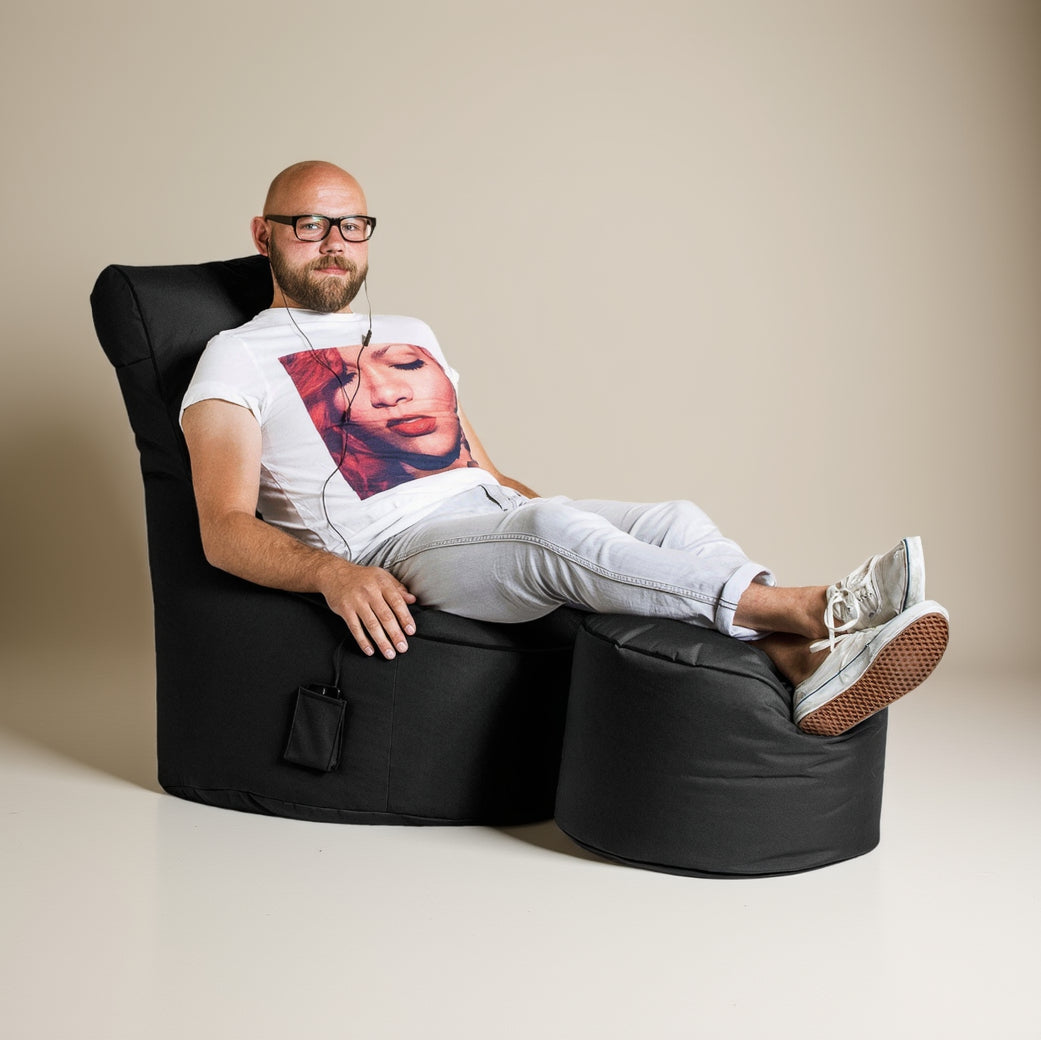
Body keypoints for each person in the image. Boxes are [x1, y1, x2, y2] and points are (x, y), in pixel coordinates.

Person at [180, 160, 949, 737]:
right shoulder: (236, 356)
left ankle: (795, 665)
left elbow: (480, 466)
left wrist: (558, 516)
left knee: (671, 518)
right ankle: (820, 610)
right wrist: (333, 574)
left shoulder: (413, 333)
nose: (334, 245)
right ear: (264, 234)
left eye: (351, 226)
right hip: (400, 547)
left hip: (487, 515)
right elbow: (223, 528)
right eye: (310, 225)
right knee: (553, 532)